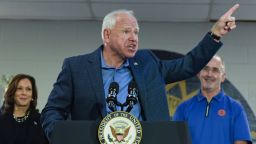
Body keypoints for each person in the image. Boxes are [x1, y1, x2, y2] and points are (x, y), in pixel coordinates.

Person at [41, 4, 240, 140]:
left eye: (136, 32)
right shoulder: (76, 67)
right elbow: (52, 111)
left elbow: (188, 64)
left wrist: (214, 34)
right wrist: (61, 136)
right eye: (126, 31)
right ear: (107, 35)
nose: (134, 38)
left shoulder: (148, 63)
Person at [173, 55, 252, 144]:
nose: (209, 74)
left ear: (223, 77)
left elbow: (241, 142)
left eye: (215, 70)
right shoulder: (183, 109)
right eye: (205, 69)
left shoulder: (236, 109)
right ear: (199, 73)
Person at [0, 74, 48, 144]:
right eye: (19, 88)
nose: (24, 93)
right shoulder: (2, 120)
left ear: (32, 96)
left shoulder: (42, 122)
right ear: (13, 92)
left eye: (28, 89)